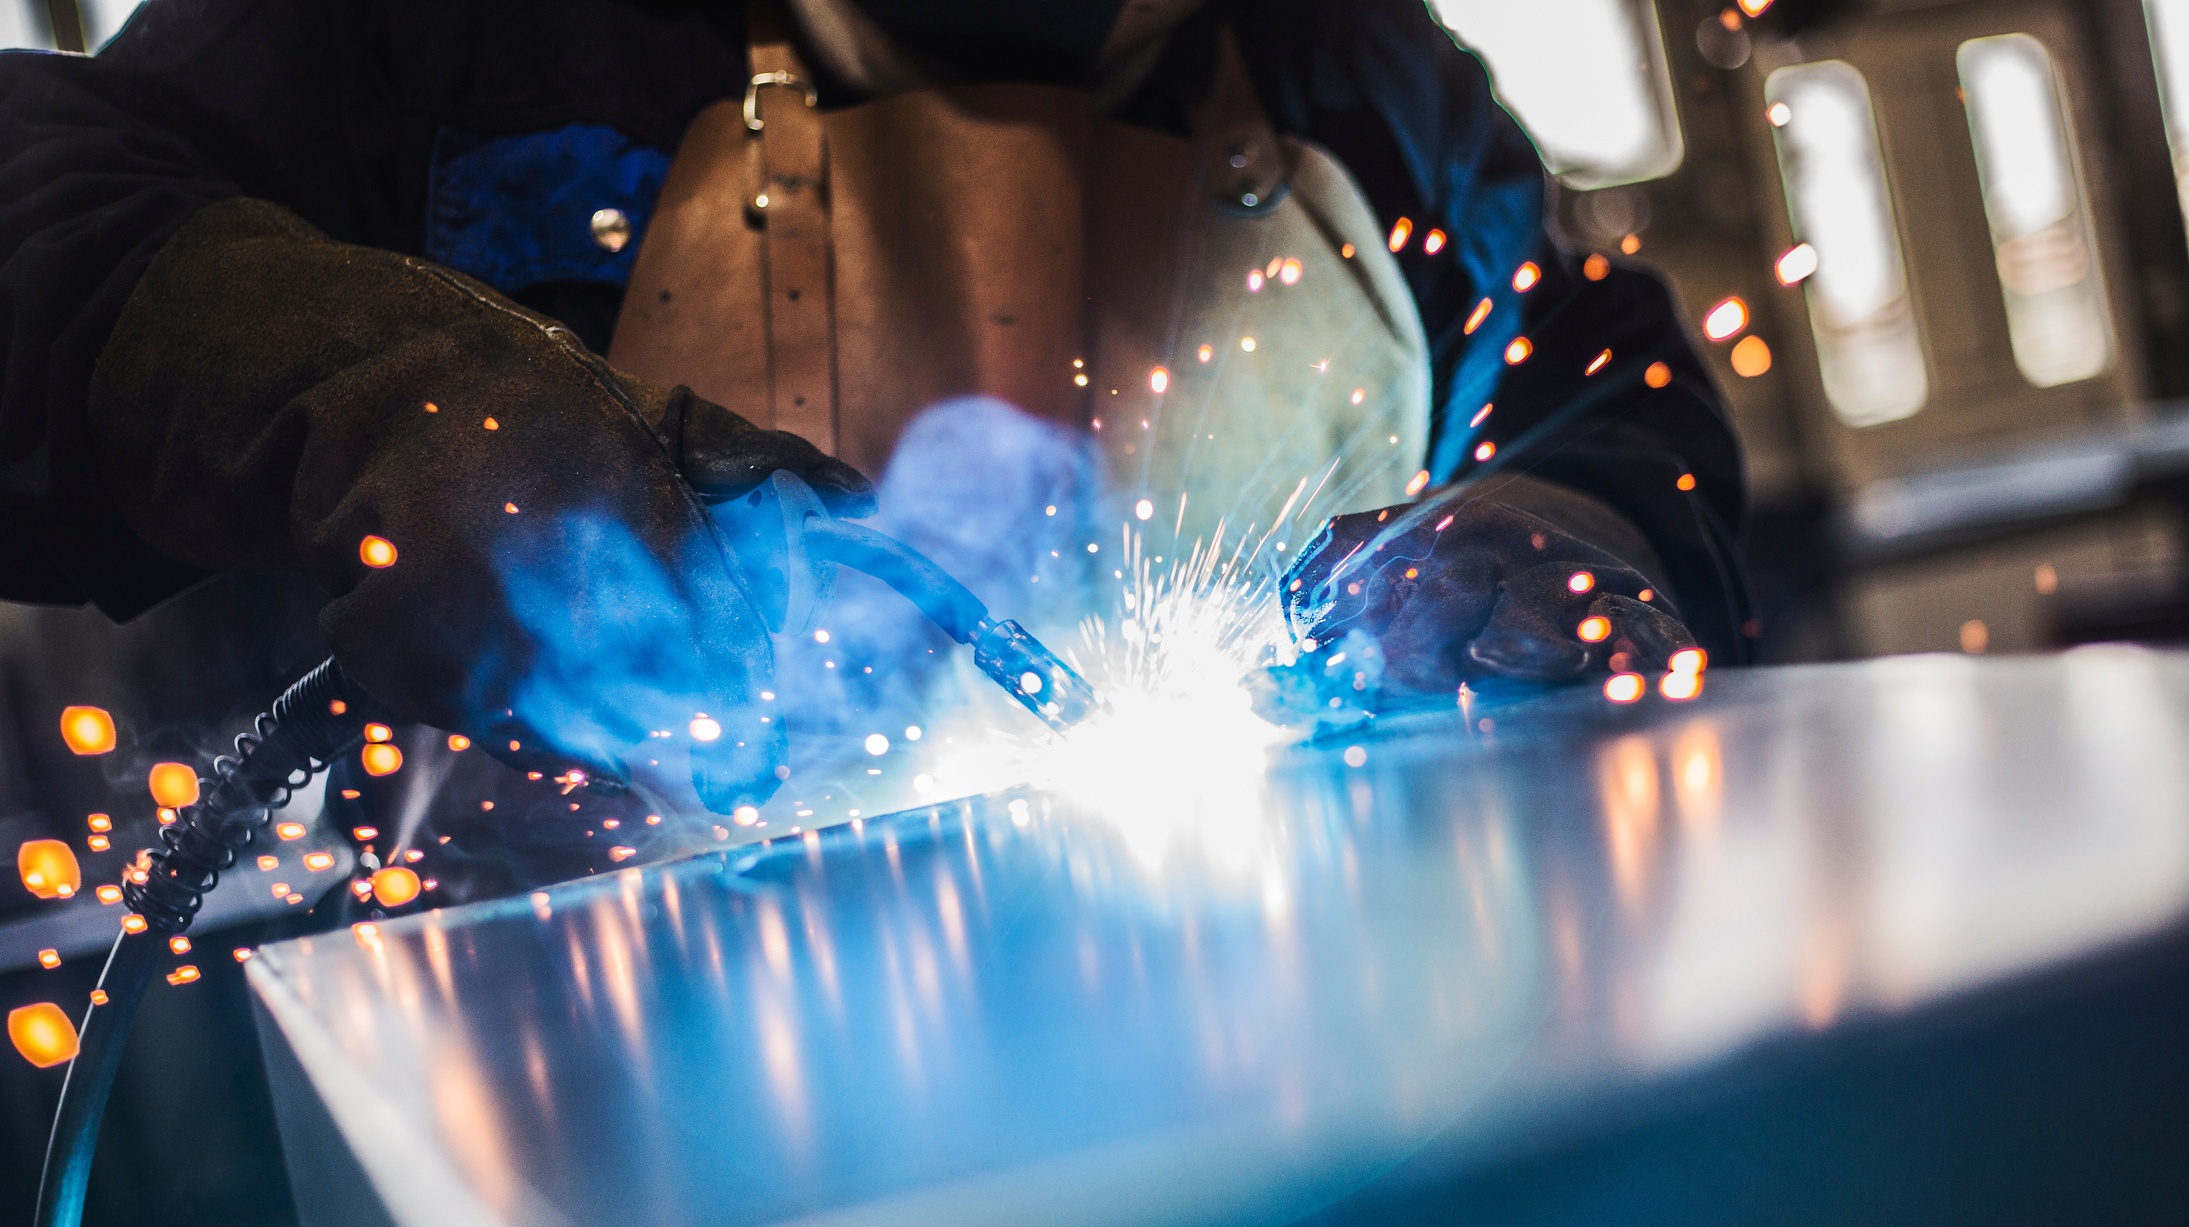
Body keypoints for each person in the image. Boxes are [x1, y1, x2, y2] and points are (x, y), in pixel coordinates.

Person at [0, 0, 1751, 825]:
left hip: (1305, 1074)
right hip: (638, 1115)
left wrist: (1565, 532)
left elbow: (1594, 378)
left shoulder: (1355, 74)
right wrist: (399, 398)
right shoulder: (468, 34)